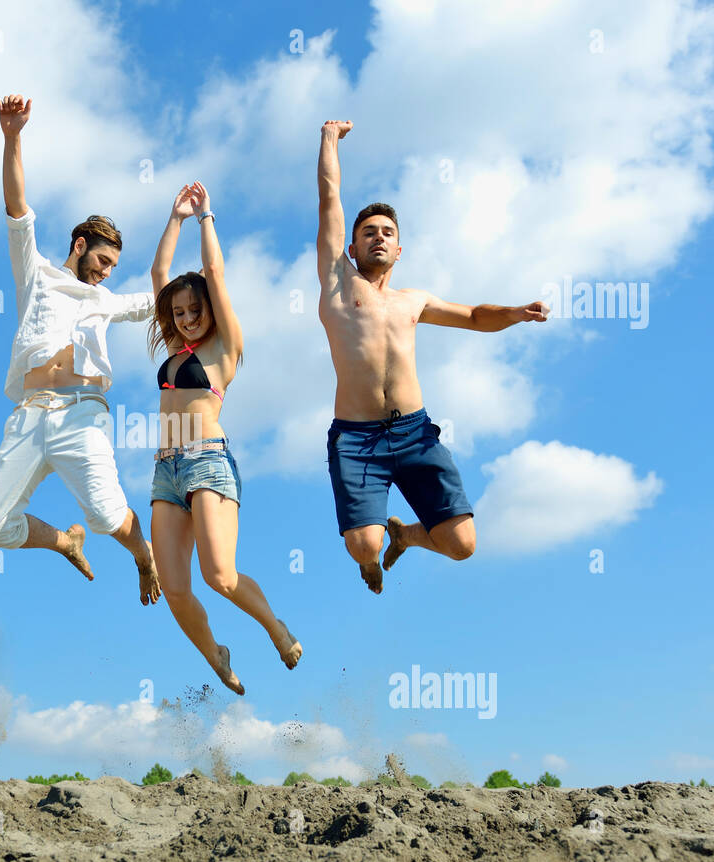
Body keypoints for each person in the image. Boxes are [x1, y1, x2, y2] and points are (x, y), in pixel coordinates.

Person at [316, 119, 549, 594]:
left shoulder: (412, 300)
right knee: (363, 545)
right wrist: (328, 139)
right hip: (357, 441)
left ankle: (407, 535)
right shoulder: (338, 284)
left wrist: (517, 312)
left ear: (399, 249)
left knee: (463, 545)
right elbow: (329, 198)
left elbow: (473, 315)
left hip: (415, 432)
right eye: (368, 232)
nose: (377, 237)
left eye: (387, 232)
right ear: (351, 246)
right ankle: (374, 551)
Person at [0, 94, 160, 605]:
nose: (104, 272)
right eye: (100, 260)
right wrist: (13, 136)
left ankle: (142, 554)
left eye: (112, 268)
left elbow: (158, 301)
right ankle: (64, 541)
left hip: (83, 414)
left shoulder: (106, 299)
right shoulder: (37, 276)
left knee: (105, 516)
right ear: (79, 245)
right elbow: (18, 211)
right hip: (30, 415)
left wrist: (206, 261)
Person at [148, 182, 301, 694]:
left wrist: (204, 217)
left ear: (211, 309)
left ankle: (276, 628)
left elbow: (213, 273)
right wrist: (173, 218)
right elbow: (158, 276)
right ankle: (215, 653)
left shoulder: (224, 349)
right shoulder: (174, 345)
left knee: (221, 576)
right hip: (165, 471)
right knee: (174, 588)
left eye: (196, 310)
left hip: (207, 462)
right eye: (179, 313)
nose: (187, 319)